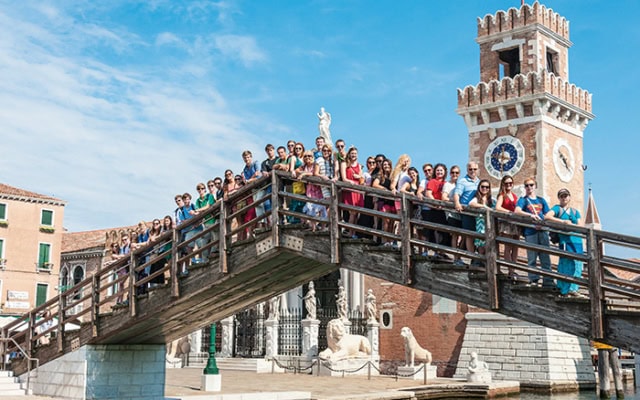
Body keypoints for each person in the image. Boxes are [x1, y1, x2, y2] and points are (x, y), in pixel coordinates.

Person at [545, 188, 584, 297]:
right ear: (559, 198)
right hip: (565, 241)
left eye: (566, 196)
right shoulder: (557, 208)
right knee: (566, 263)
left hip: (577, 240)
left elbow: (581, 225)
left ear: (569, 197)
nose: (564, 198)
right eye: (561, 196)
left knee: (578, 264)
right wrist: (563, 222)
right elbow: (547, 216)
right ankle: (564, 288)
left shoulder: (575, 212)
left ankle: (574, 288)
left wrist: (574, 226)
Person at [515, 178, 553, 288]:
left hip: (543, 231)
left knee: (545, 256)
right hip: (530, 231)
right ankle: (534, 279)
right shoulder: (523, 200)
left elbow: (547, 214)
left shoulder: (541, 200)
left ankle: (548, 280)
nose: (529, 187)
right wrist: (530, 216)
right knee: (532, 257)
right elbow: (517, 211)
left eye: (531, 185)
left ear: (535, 186)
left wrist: (544, 222)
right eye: (526, 185)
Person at [453, 162, 480, 264]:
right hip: (467, 212)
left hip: (477, 214)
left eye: (474, 169)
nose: (473, 171)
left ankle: (477, 257)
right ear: (467, 170)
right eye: (470, 169)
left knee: (477, 235)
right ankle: (473, 258)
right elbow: (457, 194)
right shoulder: (463, 181)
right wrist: (457, 203)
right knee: (469, 235)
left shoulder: (479, 182)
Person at [495, 175, 521, 280]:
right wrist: (509, 212)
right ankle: (510, 271)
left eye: (510, 183)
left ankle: (513, 269)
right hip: (506, 223)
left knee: (515, 247)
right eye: (506, 183)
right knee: (508, 247)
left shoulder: (515, 196)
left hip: (515, 223)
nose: (509, 185)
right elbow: (497, 207)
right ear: (503, 184)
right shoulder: (502, 195)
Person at [424, 163, 450, 259]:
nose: (439, 172)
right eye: (438, 170)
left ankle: (441, 252)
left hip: (443, 210)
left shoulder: (445, 183)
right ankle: (436, 252)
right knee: (436, 231)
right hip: (434, 209)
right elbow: (428, 193)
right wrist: (436, 204)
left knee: (443, 231)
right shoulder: (432, 181)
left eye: (441, 170)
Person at [340, 146, 365, 238]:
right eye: (352, 153)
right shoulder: (345, 164)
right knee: (352, 213)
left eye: (355, 153)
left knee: (357, 213)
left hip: (357, 190)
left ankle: (354, 232)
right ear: (349, 154)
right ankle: (350, 232)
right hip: (350, 189)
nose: (353, 155)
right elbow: (344, 178)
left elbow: (362, 178)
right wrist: (350, 181)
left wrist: (359, 177)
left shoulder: (359, 165)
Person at [297, 151, 325, 230]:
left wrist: (304, 174)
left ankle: (323, 228)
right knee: (310, 208)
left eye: (309, 156)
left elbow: (314, 173)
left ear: (313, 157)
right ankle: (313, 227)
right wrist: (298, 172)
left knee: (321, 208)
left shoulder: (315, 164)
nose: (307, 158)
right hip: (310, 189)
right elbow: (296, 170)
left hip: (317, 189)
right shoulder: (304, 166)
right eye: (305, 156)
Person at [468, 179, 495, 262]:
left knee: (489, 247)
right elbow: (471, 203)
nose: (485, 188)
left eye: (487, 187)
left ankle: (486, 265)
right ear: (479, 187)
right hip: (480, 225)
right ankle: (480, 264)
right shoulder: (477, 198)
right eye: (483, 186)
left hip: (490, 225)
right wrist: (484, 207)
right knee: (481, 247)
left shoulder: (492, 200)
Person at [372, 159, 396, 246]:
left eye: (387, 164)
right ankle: (384, 240)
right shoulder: (380, 176)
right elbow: (374, 184)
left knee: (392, 222)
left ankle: (390, 241)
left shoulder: (393, 176)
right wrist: (384, 189)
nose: (386, 166)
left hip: (393, 201)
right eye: (384, 164)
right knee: (386, 221)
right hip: (384, 201)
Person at [195, 182, 215, 262]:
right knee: (204, 241)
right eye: (199, 189)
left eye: (202, 188)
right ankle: (205, 260)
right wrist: (196, 212)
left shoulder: (209, 196)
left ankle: (212, 257)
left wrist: (197, 210)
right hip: (205, 223)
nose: (200, 190)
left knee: (214, 239)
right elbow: (198, 212)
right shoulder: (198, 200)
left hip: (212, 220)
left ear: (205, 189)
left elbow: (208, 206)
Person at [289, 142, 307, 224]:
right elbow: (292, 169)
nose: (298, 150)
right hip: (297, 182)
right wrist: (293, 171)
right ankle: (294, 220)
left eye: (300, 148)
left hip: (305, 182)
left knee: (304, 201)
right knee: (296, 200)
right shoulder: (294, 158)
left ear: (302, 149)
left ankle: (303, 220)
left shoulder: (305, 157)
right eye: (296, 148)